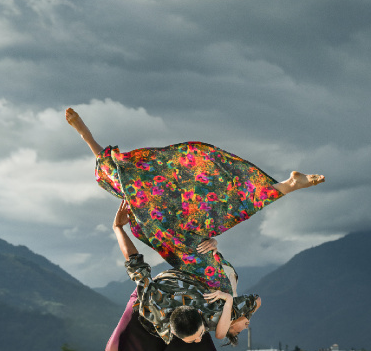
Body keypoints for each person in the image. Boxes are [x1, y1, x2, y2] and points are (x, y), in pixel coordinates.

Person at [66, 107, 324, 291]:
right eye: (245, 325)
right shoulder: (229, 302)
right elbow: (231, 285)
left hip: (177, 239)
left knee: (127, 181)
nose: (246, 326)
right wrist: (213, 244)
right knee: (230, 210)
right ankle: (289, 185)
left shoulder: (219, 307)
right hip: (186, 240)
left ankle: (289, 185)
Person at [97, 202, 256, 351]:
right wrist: (118, 228)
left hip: (187, 289)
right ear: (172, 332)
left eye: (198, 336)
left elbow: (253, 301)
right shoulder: (154, 299)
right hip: (139, 316)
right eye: (197, 337)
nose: (200, 339)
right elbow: (133, 260)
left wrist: (212, 248)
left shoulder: (210, 306)